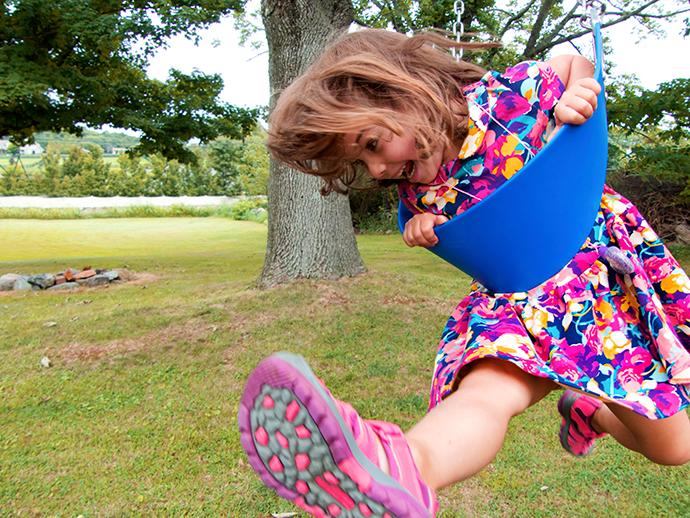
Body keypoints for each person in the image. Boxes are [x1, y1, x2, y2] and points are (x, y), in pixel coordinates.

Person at [238, 29, 690, 518]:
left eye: (372, 144)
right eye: (361, 161)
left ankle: (589, 410)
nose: (378, 169)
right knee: (488, 393)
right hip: (519, 302)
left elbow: (573, 61)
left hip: (603, 286)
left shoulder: (509, 97)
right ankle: (400, 468)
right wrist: (422, 224)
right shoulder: (419, 186)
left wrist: (581, 91)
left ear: (407, 91)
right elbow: (443, 222)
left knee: (674, 448)